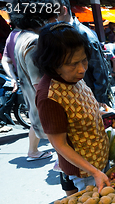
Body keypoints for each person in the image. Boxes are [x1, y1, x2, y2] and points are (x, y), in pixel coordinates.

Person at [35, 22, 110, 193]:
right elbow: (60, 144)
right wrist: (94, 172)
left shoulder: (73, 78)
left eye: (84, 60)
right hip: (85, 172)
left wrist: (106, 116)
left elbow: (80, 110)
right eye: (73, 64)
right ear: (53, 63)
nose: (82, 69)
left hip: (99, 161)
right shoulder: (50, 96)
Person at [12, 0, 57, 162]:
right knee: (52, 125)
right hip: (38, 93)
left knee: (37, 121)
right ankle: (62, 163)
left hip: (30, 92)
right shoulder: (34, 41)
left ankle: (33, 151)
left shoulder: (21, 37)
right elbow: (37, 79)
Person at [55, 0, 112, 107]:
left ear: (64, 10)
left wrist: (98, 100)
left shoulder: (85, 36)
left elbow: (100, 72)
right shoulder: (63, 33)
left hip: (90, 97)